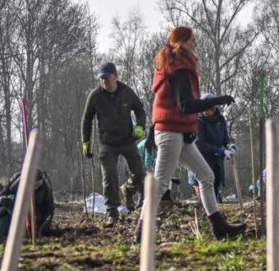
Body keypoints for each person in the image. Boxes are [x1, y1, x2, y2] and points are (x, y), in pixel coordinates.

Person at [136, 26, 245, 242]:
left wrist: (188, 131)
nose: (195, 43)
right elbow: (185, 105)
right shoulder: (179, 68)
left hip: (179, 133)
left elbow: (178, 108)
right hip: (170, 134)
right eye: (192, 40)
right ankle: (141, 233)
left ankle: (219, 227)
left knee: (207, 176)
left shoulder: (178, 66)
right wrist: (218, 100)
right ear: (181, 42)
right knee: (159, 186)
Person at [81, 62, 147, 226]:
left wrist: (139, 127)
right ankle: (112, 212)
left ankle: (128, 190)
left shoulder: (127, 92)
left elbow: (140, 111)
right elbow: (86, 119)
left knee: (139, 173)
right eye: (101, 78)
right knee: (109, 176)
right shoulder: (95, 96)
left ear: (115, 76)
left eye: (107, 78)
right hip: (107, 143)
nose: (104, 81)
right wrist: (86, 141)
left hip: (127, 140)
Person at [0, 169, 54, 239]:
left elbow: (49, 211)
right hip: (12, 212)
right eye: (35, 185)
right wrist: (0, 200)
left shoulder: (46, 188)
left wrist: (42, 228)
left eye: (39, 185)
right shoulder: (16, 180)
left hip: (34, 217)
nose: (36, 188)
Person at [196, 95, 234, 201]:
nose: (206, 112)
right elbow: (200, 144)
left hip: (218, 161)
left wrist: (229, 145)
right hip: (205, 159)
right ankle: (206, 209)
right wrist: (220, 151)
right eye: (204, 109)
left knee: (216, 183)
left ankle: (215, 209)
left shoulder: (221, 120)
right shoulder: (199, 122)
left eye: (208, 109)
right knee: (207, 183)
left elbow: (225, 138)